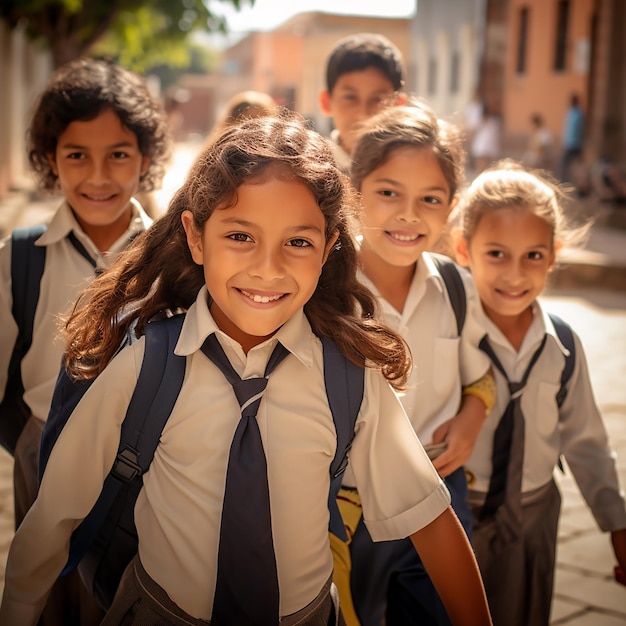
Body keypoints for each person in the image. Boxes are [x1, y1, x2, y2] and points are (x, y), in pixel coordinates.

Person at [0, 113, 493, 626]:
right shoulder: (146, 362)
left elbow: (429, 516)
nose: (268, 267)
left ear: (327, 249)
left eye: (298, 242)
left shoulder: (349, 376)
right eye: (240, 236)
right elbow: (54, 515)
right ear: (196, 237)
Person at [0, 56, 172, 625]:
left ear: (145, 159)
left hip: (145, 461)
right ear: (51, 159)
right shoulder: (20, 258)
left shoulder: (173, 257)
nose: (99, 175)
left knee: (128, 595)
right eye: (77, 155)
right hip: (41, 456)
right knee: (46, 593)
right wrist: (29, 442)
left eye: (118, 154)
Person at [333, 102, 495, 626]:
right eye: (388, 193)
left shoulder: (455, 286)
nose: (409, 214)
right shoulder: (327, 293)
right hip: (349, 506)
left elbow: (481, 375)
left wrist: (471, 420)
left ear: (451, 207)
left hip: (440, 493)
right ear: (354, 192)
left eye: (430, 199)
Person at [453, 159, 626, 626]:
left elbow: (586, 439)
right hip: (453, 516)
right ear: (463, 250)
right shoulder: (448, 335)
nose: (515, 274)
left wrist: (616, 520)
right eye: (496, 254)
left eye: (533, 255)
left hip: (534, 517)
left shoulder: (563, 344)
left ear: (554, 254)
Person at [318, 32, 407, 172]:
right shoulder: (310, 172)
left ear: (399, 105)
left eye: (378, 100)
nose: (363, 114)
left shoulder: (411, 171)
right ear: (326, 102)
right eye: (350, 97)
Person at [206, 89, 279, 144]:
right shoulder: (216, 154)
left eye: (260, 121)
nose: (253, 128)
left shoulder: (279, 154)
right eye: (245, 120)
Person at [559, 93, 584, 183]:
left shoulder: (578, 114)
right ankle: (569, 180)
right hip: (570, 143)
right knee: (571, 163)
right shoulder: (571, 113)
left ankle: (568, 180)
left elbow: (579, 129)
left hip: (574, 143)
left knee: (567, 163)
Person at [469, 103, 501, 175]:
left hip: (486, 146)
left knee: (487, 167)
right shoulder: (482, 122)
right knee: (481, 167)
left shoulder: (494, 122)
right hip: (481, 146)